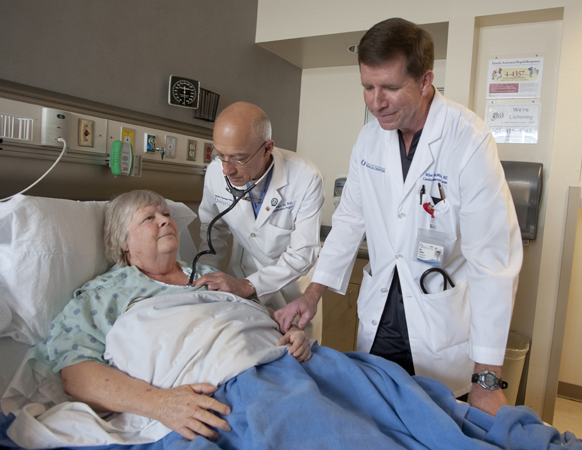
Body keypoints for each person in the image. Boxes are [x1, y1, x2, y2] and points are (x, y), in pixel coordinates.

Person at [275, 18, 523, 416]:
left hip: (438, 321)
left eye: (390, 87)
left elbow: (493, 261)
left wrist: (487, 377)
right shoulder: (369, 139)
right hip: (381, 316)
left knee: (438, 424)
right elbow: (349, 222)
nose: (376, 102)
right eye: (367, 87)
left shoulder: (468, 139)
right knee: (375, 420)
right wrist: (312, 294)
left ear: (425, 81)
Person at [30, 190, 312, 441]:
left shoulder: (211, 277)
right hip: (229, 393)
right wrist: (160, 404)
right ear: (124, 241)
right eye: (148, 218)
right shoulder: (104, 294)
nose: (165, 220)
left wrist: (293, 333)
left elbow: (259, 319)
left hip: (283, 368)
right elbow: (75, 375)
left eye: (166, 214)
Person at [193, 102, 325, 340]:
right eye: (220, 155)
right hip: (242, 271)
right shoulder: (216, 172)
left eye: (238, 159)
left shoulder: (305, 177)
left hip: (291, 284)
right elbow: (213, 232)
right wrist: (205, 280)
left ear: (268, 148)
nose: (226, 169)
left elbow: (302, 254)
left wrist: (248, 286)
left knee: (297, 353)